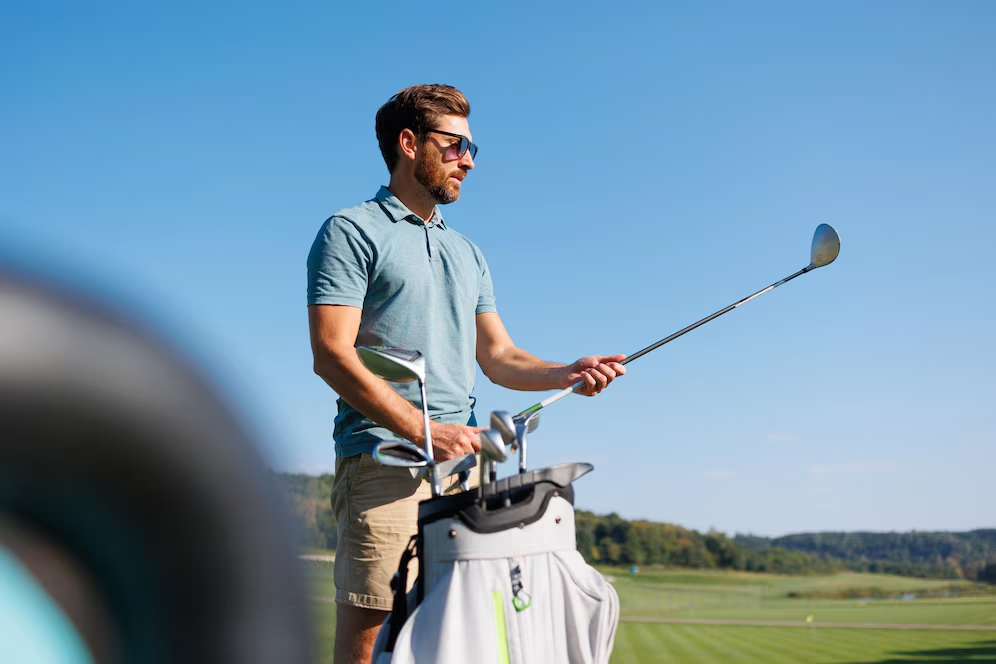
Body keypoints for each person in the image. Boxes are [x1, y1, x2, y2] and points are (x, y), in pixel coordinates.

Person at [307, 84, 625, 664]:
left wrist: (565, 373)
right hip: (385, 466)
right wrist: (422, 429)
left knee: (464, 636)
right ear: (409, 144)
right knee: (373, 642)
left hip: (465, 470)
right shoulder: (350, 231)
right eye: (456, 145)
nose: (470, 160)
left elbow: (499, 356)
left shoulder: (469, 253)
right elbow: (332, 353)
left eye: (472, 147)